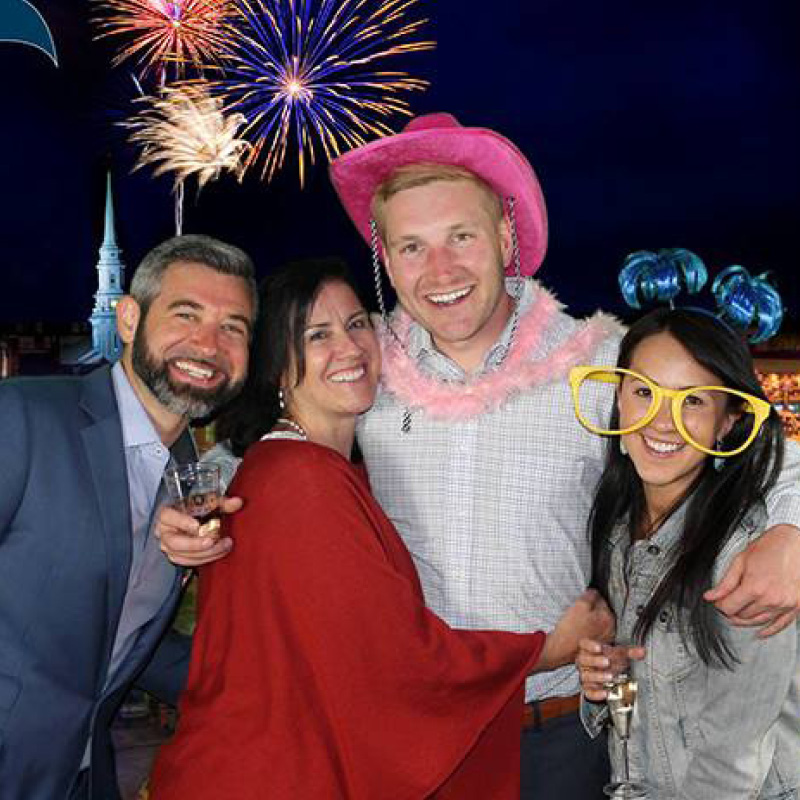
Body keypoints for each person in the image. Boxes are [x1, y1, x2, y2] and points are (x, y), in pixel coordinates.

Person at [159, 114, 800, 799]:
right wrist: (196, 510)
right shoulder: (363, 366)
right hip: (409, 745)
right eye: (412, 247)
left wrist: (792, 530)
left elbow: (747, 435)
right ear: (386, 261)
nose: (440, 271)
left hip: (552, 732)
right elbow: (273, 447)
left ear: (504, 236)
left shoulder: (595, 365)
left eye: (460, 237)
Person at [148, 259, 614, 799]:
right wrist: (548, 649)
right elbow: (396, 661)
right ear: (276, 364)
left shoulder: (299, 469)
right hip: (274, 774)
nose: (348, 348)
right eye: (316, 335)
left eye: (356, 323)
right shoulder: (301, 480)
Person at [0, 234, 256, 800]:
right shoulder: (22, 418)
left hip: (85, 776)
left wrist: (260, 695)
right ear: (129, 319)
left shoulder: (190, 474)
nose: (209, 344)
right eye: (186, 314)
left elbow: (120, 636)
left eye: (233, 327)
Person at [574, 306, 800, 798]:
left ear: (727, 423)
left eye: (693, 400)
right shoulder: (617, 527)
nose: (661, 419)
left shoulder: (744, 555)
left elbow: (734, 759)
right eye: (643, 392)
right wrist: (601, 679)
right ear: (619, 398)